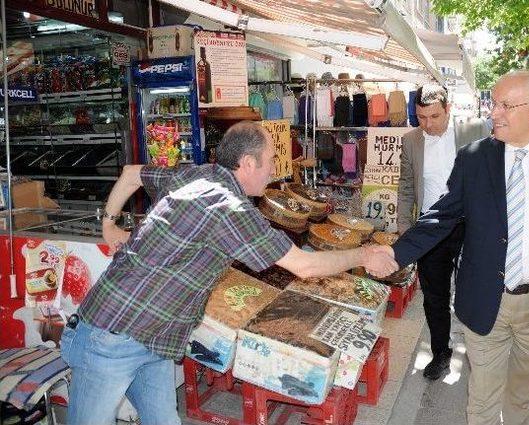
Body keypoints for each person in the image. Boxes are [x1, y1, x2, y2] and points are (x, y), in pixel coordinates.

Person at [60, 121, 398, 425]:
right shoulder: (230, 207)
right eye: (270, 162)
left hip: (156, 337)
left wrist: (108, 223)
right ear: (248, 163)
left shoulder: (196, 173)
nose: (273, 171)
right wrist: (365, 255)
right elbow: (304, 265)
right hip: (114, 333)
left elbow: (133, 172)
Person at [386, 70, 529, 424]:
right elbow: (441, 215)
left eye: (505, 105)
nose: (493, 113)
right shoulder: (474, 158)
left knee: (522, 402)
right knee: (482, 402)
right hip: (486, 297)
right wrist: (395, 252)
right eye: (493, 103)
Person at [397, 84, 488, 380]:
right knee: (434, 296)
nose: (428, 124)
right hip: (431, 227)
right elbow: (407, 187)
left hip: (470, 226)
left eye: (434, 116)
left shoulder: (474, 132)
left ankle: (481, 351)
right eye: (421, 117)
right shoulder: (411, 141)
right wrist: (404, 231)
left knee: (474, 290)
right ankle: (441, 353)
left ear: (448, 110)